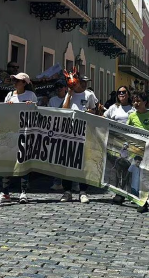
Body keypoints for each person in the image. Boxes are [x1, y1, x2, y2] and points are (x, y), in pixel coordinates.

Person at [0, 72, 37, 204]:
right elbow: (3, 111)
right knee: (7, 160)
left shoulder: (31, 95)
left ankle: (23, 192)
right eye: (14, 80)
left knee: (22, 161)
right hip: (10, 131)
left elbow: (37, 112)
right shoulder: (10, 95)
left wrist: (31, 106)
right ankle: (5, 192)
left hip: (24, 132)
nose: (15, 83)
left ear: (24, 83)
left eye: (18, 81)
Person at [61, 74, 99, 203]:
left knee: (84, 163)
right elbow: (64, 110)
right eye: (81, 82)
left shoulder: (89, 95)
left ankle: (83, 191)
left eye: (86, 82)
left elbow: (95, 111)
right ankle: (67, 191)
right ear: (76, 82)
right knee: (67, 163)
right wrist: (69, 94)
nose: (84, 84)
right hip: (70, 132)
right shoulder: (69, 94)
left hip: (84, 131)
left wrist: (91, 112)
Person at [126, 92, 149, 213]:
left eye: (138, 101)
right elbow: (127, 131)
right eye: (134, 101)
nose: (136, 103)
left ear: (145, 102)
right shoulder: (132, 116)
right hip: (137, 152)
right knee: (140, 178)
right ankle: (142, 202)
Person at [105, 86, 136, 204]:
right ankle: (119, 193)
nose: (121, 94)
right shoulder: (114, 107)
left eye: (124, 92)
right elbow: (104, 118)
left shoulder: (133, 108)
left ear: (128, 94)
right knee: (118, 170)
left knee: (130, 169)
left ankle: (131, 193)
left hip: (131, 144)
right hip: (116, 143)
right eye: (119, 92)